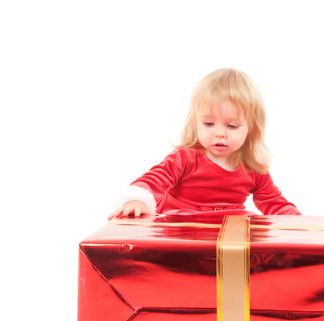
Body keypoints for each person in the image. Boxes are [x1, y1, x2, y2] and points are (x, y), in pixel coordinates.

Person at [108, 68, 301, 219]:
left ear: (251, 129)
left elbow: (273, 200)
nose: (219, 134)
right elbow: (156, 179)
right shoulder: (186, 156)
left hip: (226, 230)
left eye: (232, 126)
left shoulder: (253, 166)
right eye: (208, 124)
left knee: (256, 231)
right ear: (196, 123)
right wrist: (137, 200)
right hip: (180, 225)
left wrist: (296, 221)